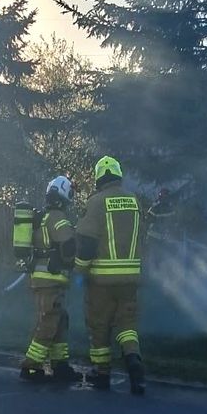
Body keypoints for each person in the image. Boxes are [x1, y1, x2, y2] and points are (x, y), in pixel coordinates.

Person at [74, 156, 146, 395]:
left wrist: (80, 270)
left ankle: (102, 373)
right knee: (127, 324)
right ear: (118, 176)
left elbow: (86, 242)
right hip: (130, 278)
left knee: (99, 324)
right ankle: (133, 360)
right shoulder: (134, 201)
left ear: (98, 179)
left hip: (101, 280)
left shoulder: (97, 202)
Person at [20, 175, 78, 384]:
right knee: (48, 322)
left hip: (42, 280)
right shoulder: (57, 218)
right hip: (50, 280)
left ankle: (60, 365)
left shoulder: (43, 217)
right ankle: (31, 367)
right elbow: (69, 247)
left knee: (59, 321)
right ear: (64, 194)